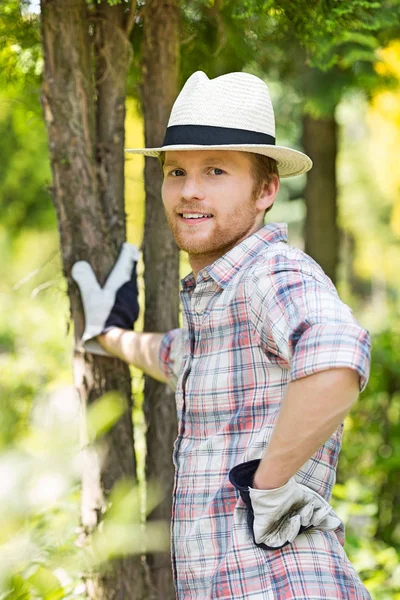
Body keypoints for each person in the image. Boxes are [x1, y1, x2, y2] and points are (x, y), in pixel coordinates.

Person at [72, 71, 372, 599]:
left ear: (266, 189)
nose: (190, 190)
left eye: (216, 170)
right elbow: (178, 357)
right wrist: (108, 335)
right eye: (176, 171)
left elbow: (338, 359)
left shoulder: (272, 274)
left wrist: (269, 483)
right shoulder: (221, 305)